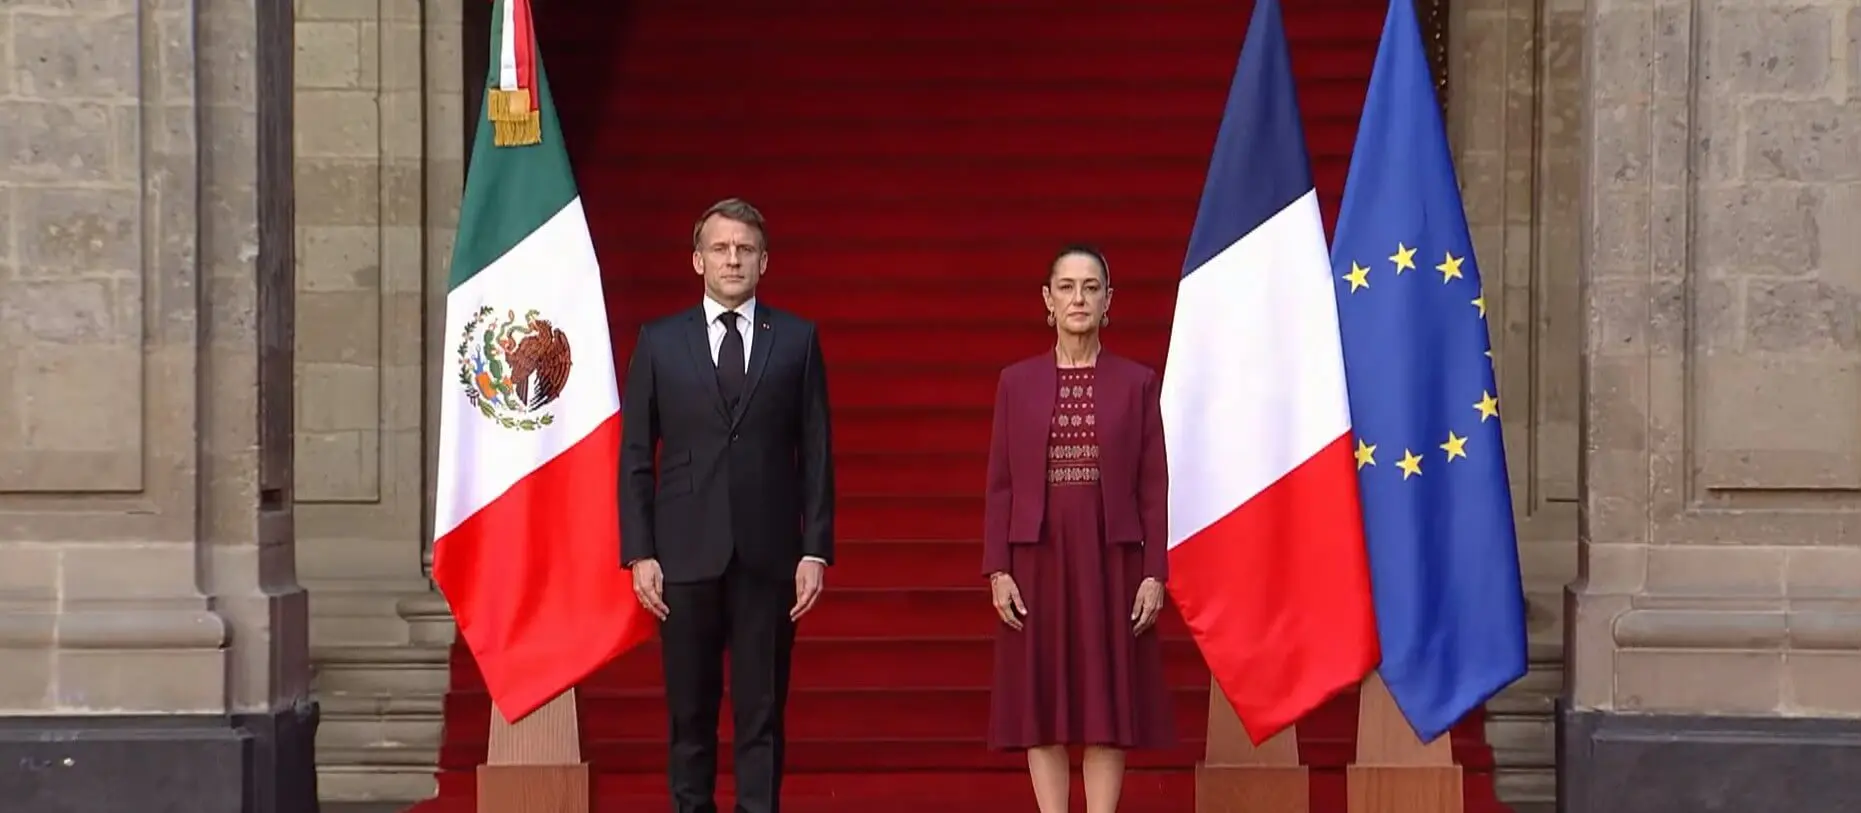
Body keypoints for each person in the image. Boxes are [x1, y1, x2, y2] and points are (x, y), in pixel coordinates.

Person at [619, 198, 835, 813]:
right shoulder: (660, 342)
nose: (733, 259)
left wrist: (814, 550)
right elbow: (635, 453)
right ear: (698, 261)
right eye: (720, 248)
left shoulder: (796, 339)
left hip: (769, 556)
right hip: (683, 556)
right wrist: (639, 552)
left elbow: (816, 452)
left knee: (761, 712)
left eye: (745, 249)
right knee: (689, 714)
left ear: (764, 262)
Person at [983, 245, 1176, 813]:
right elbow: (1000, 484)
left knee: (1104, 704)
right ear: (1047, 300)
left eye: (1091, 288)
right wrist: (997, 569)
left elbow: (1153, 485)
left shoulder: (1137, 383)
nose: (1078, 299)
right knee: (1040, 704)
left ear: (1109, 301)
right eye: (1066, 287)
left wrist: (1154, 573)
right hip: (1035, 560)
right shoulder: (1015, 383)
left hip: (1110, 560)